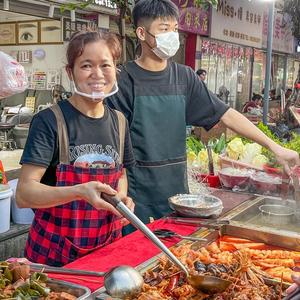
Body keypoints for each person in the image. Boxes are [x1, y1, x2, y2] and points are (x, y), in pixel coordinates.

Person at [106, 0, 299, 228]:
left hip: (178, 198)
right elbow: (112, 148)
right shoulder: (123, 80)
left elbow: (226, 114)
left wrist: (274, 147)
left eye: (175, 29)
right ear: (141, 33)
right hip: (137, 199)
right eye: (164, 29)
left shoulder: (184, 77)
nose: (172, 36)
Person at [16, 30, 135, 266]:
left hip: (105, 252)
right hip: (53, 257)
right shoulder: (50, 121)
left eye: (105, 65)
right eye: (86, 66)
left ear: (116, 70)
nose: (97, 74)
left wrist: (121, 197)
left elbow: (120, 173)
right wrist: (80, 191)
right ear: (70, 71)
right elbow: (24, 194)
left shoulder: (119, 121)